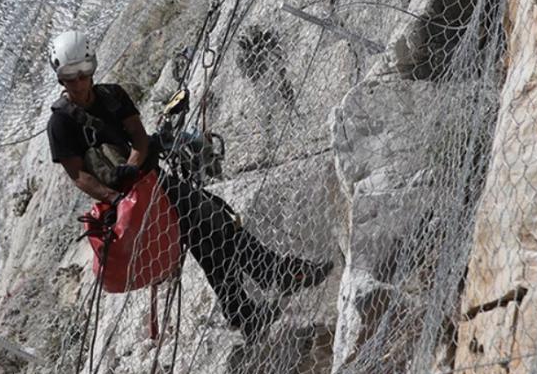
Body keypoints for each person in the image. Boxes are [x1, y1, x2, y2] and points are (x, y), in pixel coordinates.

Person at [46, 30, 332, 340]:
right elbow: (78, 175)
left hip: (150, 183)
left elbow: (139, 137)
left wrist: (131, 166)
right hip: (129, 201)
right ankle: (274, 275)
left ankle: (245, 310)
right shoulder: (61, 123)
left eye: (82, 74)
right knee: (215, 218)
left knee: (206, 235)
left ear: (92, 68)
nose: (77, 83)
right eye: (69, 77)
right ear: (60, 78)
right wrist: (117, 198)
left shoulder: (113, 97)